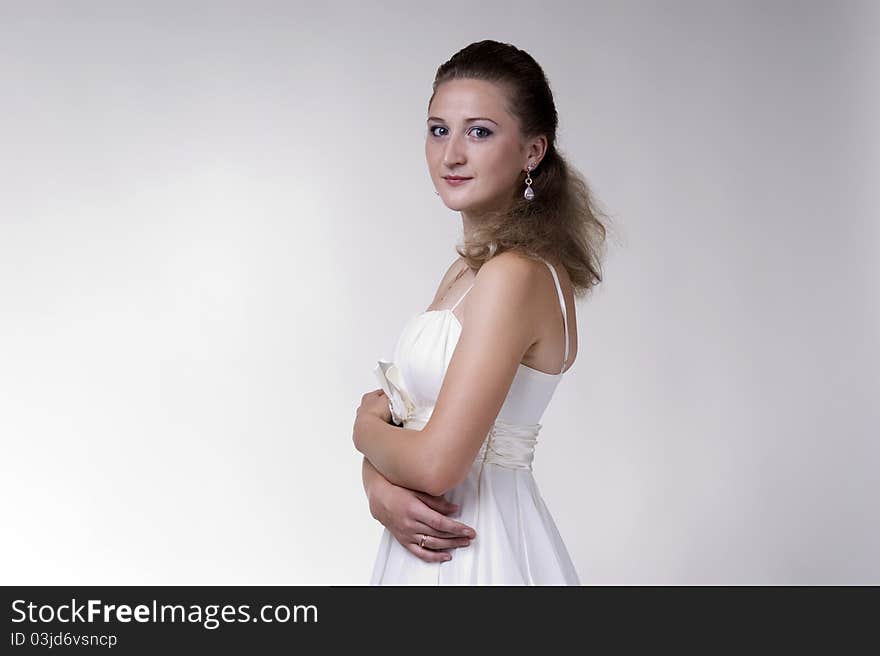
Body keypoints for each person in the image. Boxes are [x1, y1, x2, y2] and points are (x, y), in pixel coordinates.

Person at [353, 39, 609, 585]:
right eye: (438, 129)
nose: (451, 155)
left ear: (533, 151)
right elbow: (417, 432)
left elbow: (437, 465)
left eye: (479, 131)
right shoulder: (469, 270)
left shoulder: (513, 276)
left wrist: (361, 428)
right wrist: (377, 487)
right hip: (432, 541)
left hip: (475, 552)